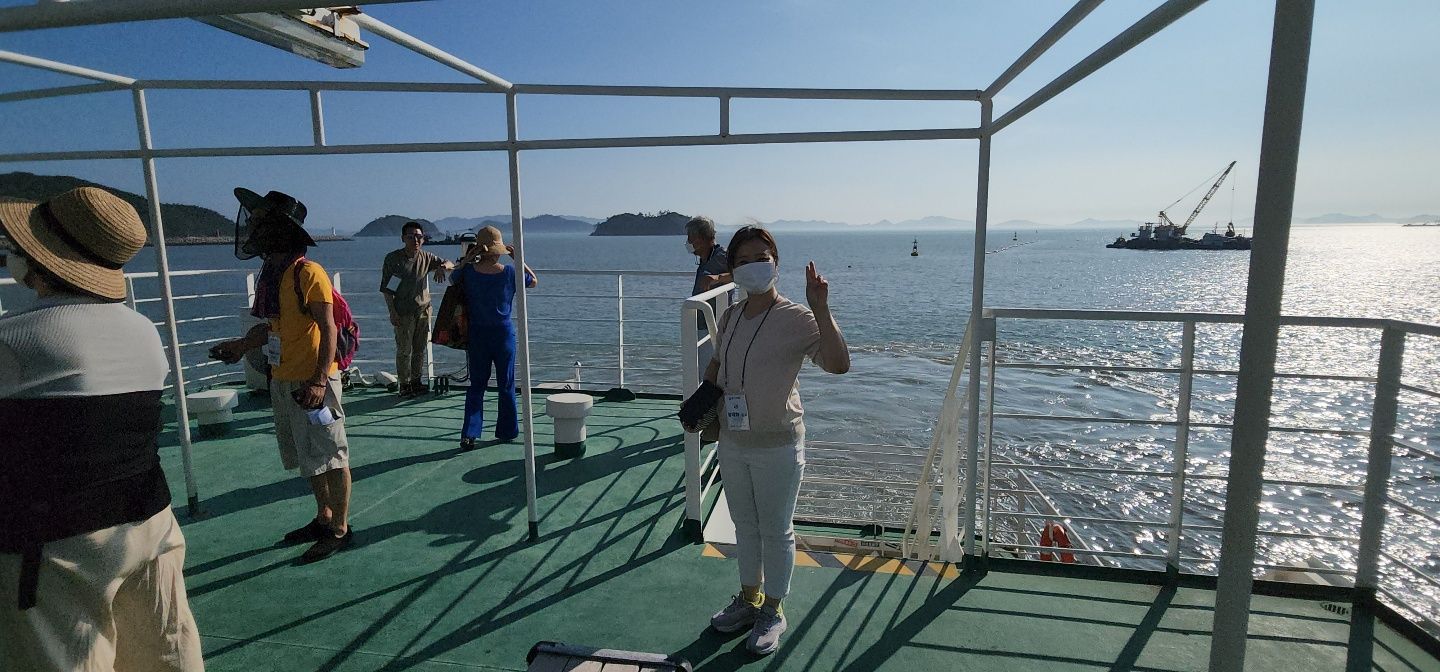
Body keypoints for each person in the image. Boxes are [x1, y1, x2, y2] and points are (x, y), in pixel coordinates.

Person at [0, 187, 204, 670]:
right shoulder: (142, 330)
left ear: (41, 258)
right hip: (149, 524)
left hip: (58, 545)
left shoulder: (14, 339)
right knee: (164, 655)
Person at [698, 226, 849, 656]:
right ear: (732, 269)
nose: (753, 266)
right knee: (745, 526)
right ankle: (749, 600)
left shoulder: (797, 317)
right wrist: (701, 402)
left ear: (776, 263)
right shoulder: (730, 316)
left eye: (761, 258)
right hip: (733, 440)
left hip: (779, 443)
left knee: (776, 530)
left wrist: (822, 308)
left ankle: (773, 610)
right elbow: (718, 364)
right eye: (742, 261)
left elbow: (838, 364)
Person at [211, 188, 354, 563]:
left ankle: (340, 529)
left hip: (314, 383)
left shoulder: (308, 273)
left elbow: (328, 327)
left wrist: (319, 381)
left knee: (332, 453)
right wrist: (242, 346)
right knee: (306, 455)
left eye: (262, 224)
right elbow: (273, 328)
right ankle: (323, 516)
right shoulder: (274, 276)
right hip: (285, 379)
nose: (255, 230)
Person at [450, 226, 537, 451]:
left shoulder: (469, 273)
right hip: (503, 334)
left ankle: (470, 433)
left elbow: (452, 277)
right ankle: (507, 430)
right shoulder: (509, 273)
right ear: (499, 250)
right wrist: (519, 259)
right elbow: (533, 281)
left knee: (477, 385)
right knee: (506, 384)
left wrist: (467, 259)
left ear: (479, 249)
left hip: (478, 335)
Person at [380, 221, 451, 398]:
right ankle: (404, 385)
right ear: (403, 238)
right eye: (411, 237)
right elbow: (387, 290)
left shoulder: (426, 257)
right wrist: (392, 312)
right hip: (403, 312)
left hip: (423, 311)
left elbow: (450, 263)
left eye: (419, 237)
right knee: (404, 350)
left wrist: (441, 267)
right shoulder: (393, 259)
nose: (416, 240)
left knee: (420, 349)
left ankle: (416, 382)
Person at [685, 215, 731, 378]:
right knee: (702, 370)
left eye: (690, 237)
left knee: (710, 373)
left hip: (714, 325)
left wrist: (717, 278)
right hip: (702, 323)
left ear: (701, 238)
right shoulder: (705, 259)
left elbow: (739, 274)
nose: (688, 242)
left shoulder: (721, 256)